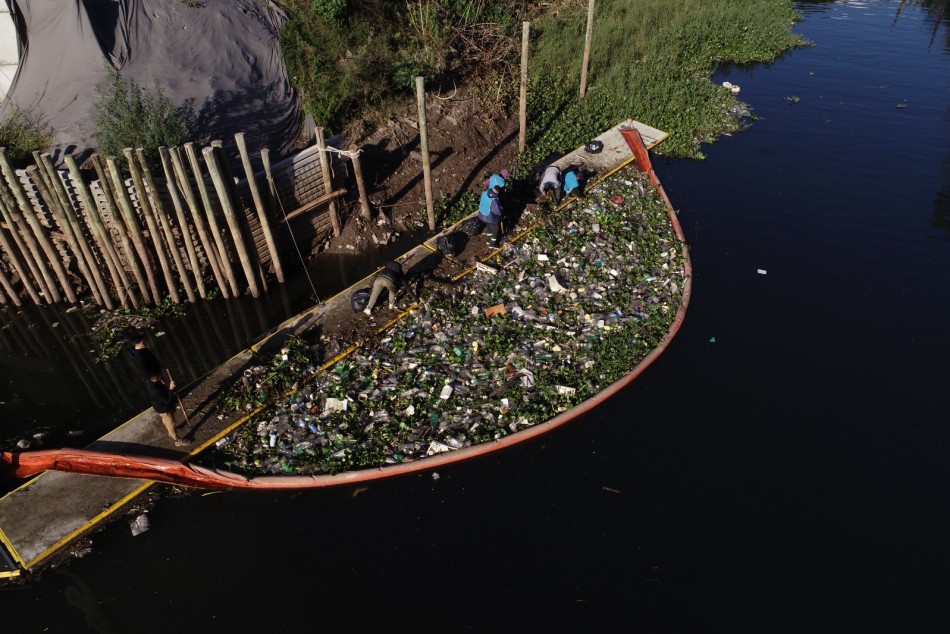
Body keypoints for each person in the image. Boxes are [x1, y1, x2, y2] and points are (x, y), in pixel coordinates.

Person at [145, 372, 188, 446]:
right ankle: (177, 440)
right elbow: (167, 401)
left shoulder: (149, 380)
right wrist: (171, 389)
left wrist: (162, 382)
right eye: (158, 377)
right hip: (163, 408)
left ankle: (170, 432)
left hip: (161, 405)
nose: (160, 377)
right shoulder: (155, 391)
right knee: (171, 423)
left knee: (167, 421)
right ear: (155, 378)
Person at [478, 179, 504, 248]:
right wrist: (501, 212)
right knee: (495, 230)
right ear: (497, 192)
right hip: (490, 218)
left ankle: (487, 240)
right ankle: (492, 244)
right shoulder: (493, 200)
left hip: (482, 215)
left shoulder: (485, 192)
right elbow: (496, 211)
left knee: (488, 227)